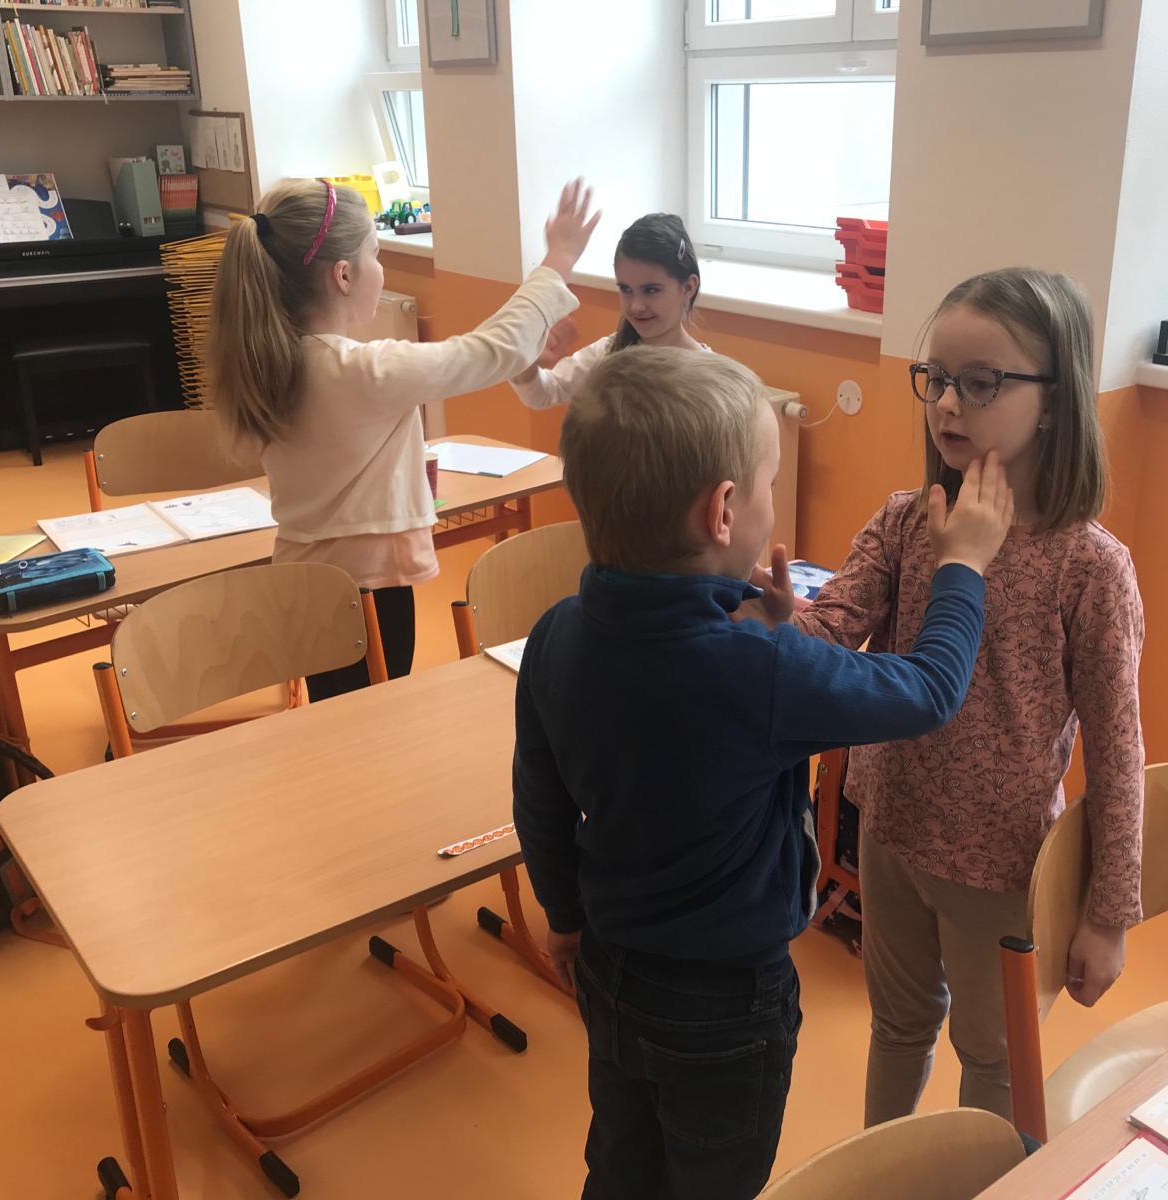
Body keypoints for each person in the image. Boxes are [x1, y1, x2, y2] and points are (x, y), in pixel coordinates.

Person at [512, 345, 1014, 1200]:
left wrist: (561, 917)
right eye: (770, 484)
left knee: (622, 1162)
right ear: (723, 512)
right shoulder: (760, 673)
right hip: (725, 1005)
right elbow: (929, 690)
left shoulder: (557, 631)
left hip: (609, 964)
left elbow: (540, 797)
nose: (773, 502)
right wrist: (962, 564)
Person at [778, 267, 1146, 1126]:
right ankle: (883, 1174)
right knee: (899, 1025)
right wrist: (770, 619)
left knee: (993, 1057)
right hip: (892, 828)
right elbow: (830, 630)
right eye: (937, 378)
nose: (947, 403)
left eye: (980, 383)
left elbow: (1118, 749)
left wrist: (1109, 912)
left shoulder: (1089, 567)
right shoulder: (907, 520)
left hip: (999, 861)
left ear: (1053, 400)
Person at [208, 178, 599, 699]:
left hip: (308, 582)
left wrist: (525, 347)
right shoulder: (357, 371)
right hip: (367, 589)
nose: (381, 268)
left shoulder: (285, 359)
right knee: (372, 721)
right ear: (343, 275)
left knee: (340, 716)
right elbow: (488, 350)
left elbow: (494, 351)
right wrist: (560, 258)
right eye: (375, 253)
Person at [510, 212, 706, 411]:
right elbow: (543, 393)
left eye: (651, 290)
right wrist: (528, 357)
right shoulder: (608, 351)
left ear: (688, 288)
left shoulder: (709, 375)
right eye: (626, 289)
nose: (636, 306)